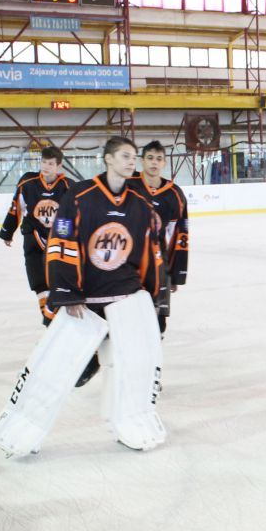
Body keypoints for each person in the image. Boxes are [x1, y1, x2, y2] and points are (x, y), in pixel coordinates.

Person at [46, 136, 167, 387]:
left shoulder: (140, 203)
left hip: (126, 294)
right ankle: (90, 361)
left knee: (128, 360)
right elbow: (60, 242)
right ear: (108, 159)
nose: (131, 162)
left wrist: (155, 296)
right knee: (77, 368)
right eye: (125, 156)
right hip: (89, 294)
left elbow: (152, 252)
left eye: (133, 158)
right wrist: (68, 293)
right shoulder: (79, 195)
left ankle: (135, 387)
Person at [0, 145, 71, 326]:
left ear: (59, 166)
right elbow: (16, 207)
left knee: (58, 281)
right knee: (39, 282)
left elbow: (73, 215)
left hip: (57, 241)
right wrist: (8, 231)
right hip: (33, 236)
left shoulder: (68, 186)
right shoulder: (28, 183)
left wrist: (67, 239)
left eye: (51, 163)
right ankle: (50, 322)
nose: (46, 166)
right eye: (44, 162)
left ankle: (56, 320)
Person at [131, 140, 189, 335]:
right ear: (142, 161)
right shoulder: (129, 186)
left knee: (158, 323)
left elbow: (179, 236)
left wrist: (175, 272)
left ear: (164, 163)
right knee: (130, 319)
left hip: (158, 264)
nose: (154, 162)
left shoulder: (174, 194)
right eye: (150, 158)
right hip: (130, 265)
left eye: (159, 159)